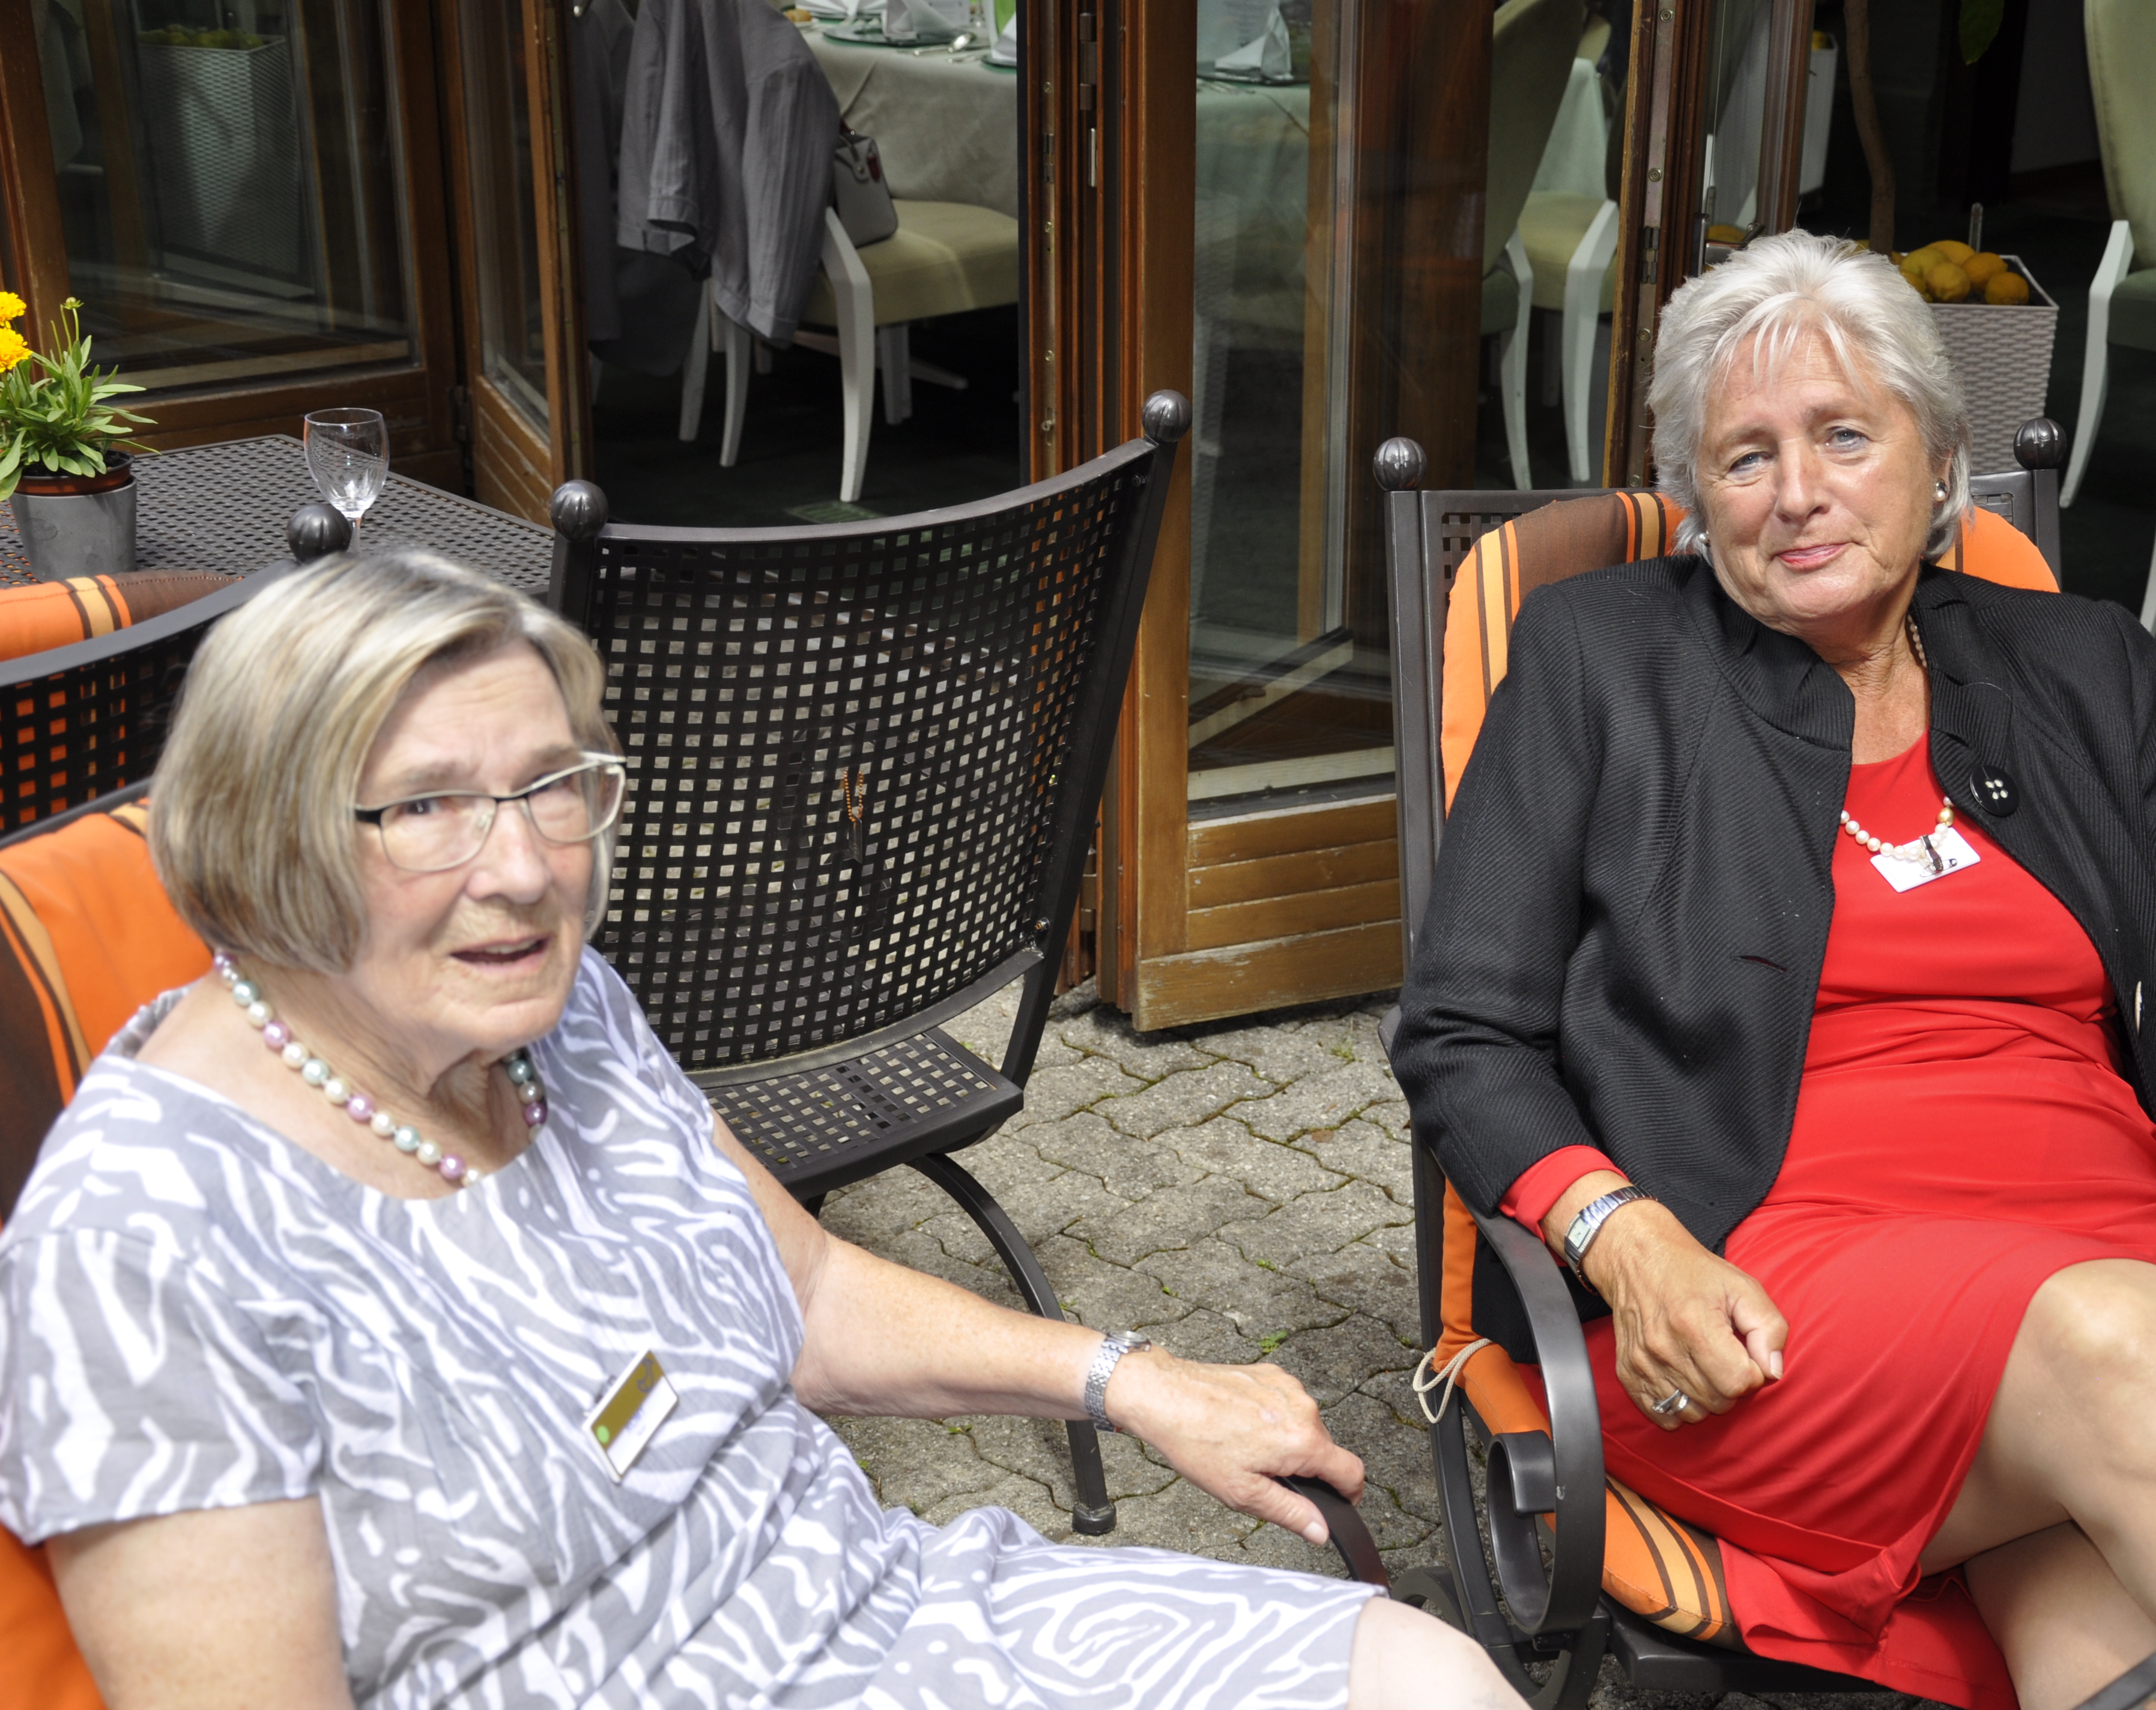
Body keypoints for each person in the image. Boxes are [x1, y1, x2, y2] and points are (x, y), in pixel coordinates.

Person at [0, 552, 1512, 1710]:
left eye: (551, 787)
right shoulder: (144, 1245)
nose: (522, 869)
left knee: (1425, 1681)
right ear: (266, 836)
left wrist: (1131, 1376)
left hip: (881, 1618)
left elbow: (804, 1288)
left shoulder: (551, 1011)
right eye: (428, 807)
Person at [1391, 230, 2156, 1710]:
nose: (1795, 491)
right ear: (1696, 499)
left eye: (1842, 436)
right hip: (1769, 1306)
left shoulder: (2071, 666)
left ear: (1937, 459)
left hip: (2117, 1276)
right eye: (1744, 457)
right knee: (2110, 1338)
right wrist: (1625, 1238)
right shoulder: (1601, 659)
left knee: (2105, 1636)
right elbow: (1462, 1029)